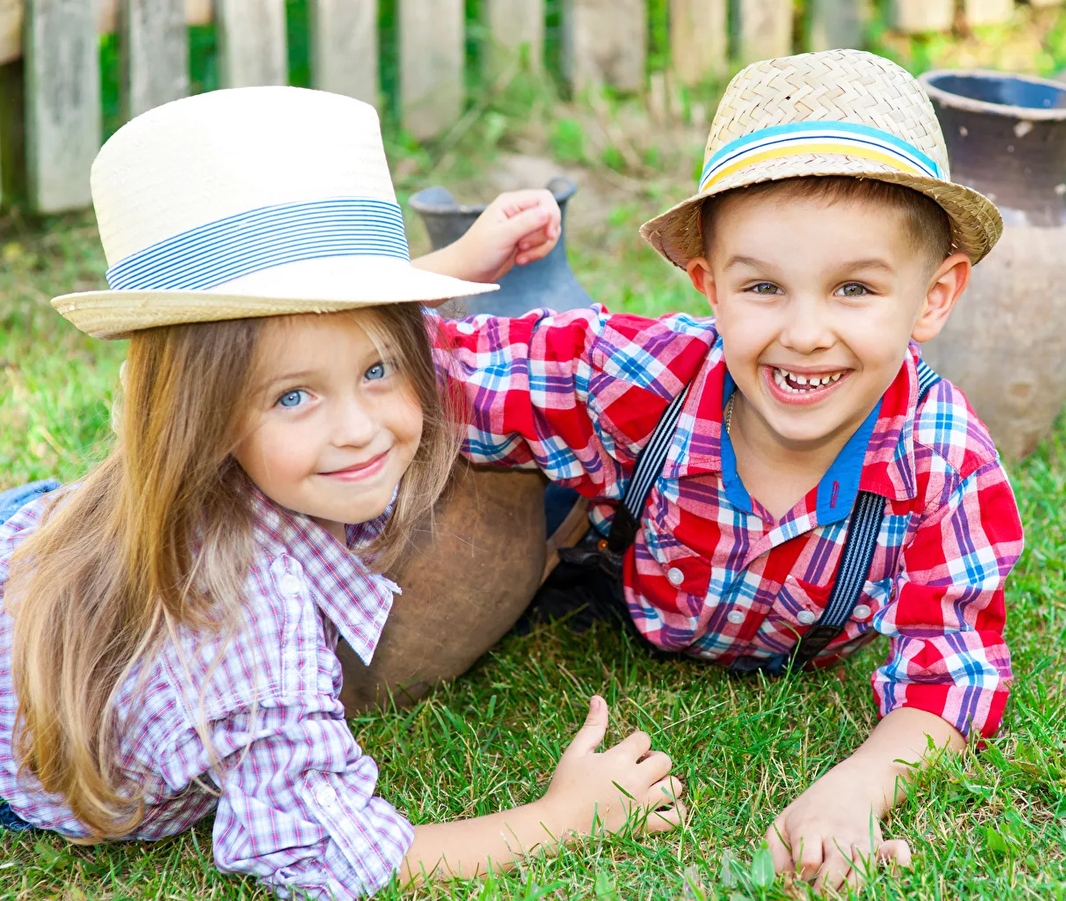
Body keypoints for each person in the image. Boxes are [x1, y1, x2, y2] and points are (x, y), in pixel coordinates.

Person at [0, 86, 684, 899]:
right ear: (204, 416)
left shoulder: (205, 460)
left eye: (377, 370)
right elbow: (332, 860)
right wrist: (564, 815)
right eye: (294, 397)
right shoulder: (248, 608)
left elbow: (312, 334)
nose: (359, 429)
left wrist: (455, 264)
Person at [430, 49, 1023, 890]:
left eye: (855, 289)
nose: (807, 332)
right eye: (764, 288)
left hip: (794, 648)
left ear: (934, 295)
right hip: (612, 587)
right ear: (710, 285)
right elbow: (425, 369)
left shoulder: (944, 461)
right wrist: (435, 277)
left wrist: (854, 789)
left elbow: (952, 678)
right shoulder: (649, 376)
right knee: (495, 483)